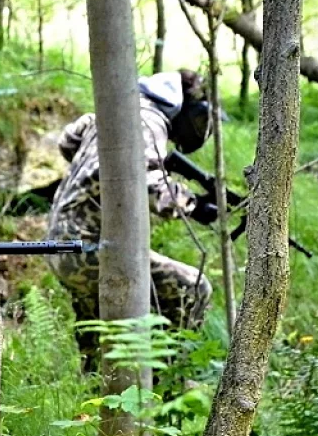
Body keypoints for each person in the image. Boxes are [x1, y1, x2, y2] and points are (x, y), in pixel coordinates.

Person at [46, 70, 217, 367]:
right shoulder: (148, 121)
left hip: (60, 243)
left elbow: (67, 140)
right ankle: (168, 384)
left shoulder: (116, 110)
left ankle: (96, 399)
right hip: (92, 248)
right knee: (193, 287)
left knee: (100, 337)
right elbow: (146, 181)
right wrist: (193, 205)